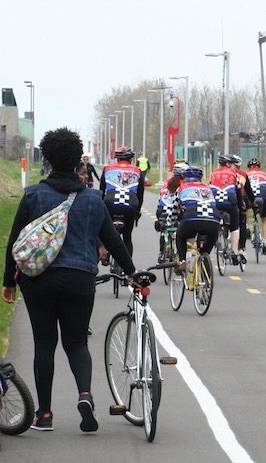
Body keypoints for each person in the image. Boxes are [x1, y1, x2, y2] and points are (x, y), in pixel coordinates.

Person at [3, 127, 137, 433]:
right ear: (79, 161)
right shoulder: (91, 198)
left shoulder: (34, 194)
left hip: (39, 280)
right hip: (80, 279)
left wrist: (9, 281)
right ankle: (85, 396)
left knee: (45, 344)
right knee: (77, 342)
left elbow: (16, 241)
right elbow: (113, 241)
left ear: (47, 159)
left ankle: (45, 415)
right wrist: (131, 273)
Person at [99, 146, 145, 255]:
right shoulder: (137, 171)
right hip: (130, 206)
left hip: (110, 204)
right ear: (131, 159)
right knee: (127, 238)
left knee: (106, 233)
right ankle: (128, 268)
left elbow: (101, 190)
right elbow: (140, 194)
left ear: (117, 159)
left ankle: (105, 254)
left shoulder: (107, 169)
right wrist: (137, 212)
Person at [174, 166, 221, 272]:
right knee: (205, 250)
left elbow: (174, 207)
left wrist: (172, 221)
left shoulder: (182, 188)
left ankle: (182, 262)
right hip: (213, 220)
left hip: (192, 218)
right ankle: (204, 260)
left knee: (180, 235)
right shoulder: (208, 188)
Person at [209, 154, 242, 264]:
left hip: (216, 202)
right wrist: (241, 205)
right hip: (230, 202)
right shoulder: (234, 174)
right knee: (235, 227)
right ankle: (234, 251)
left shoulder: (213, 173)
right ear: (228, 164)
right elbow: (238, 191)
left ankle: (214, 238)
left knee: (213, 221)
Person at [246, 157, 266, 255]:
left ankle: (246, 226)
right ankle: (264, 241)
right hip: (262, 198)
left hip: (249, 198)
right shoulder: (265, 175)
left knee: (244, 209)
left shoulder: (246, 175)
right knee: (265, 220)